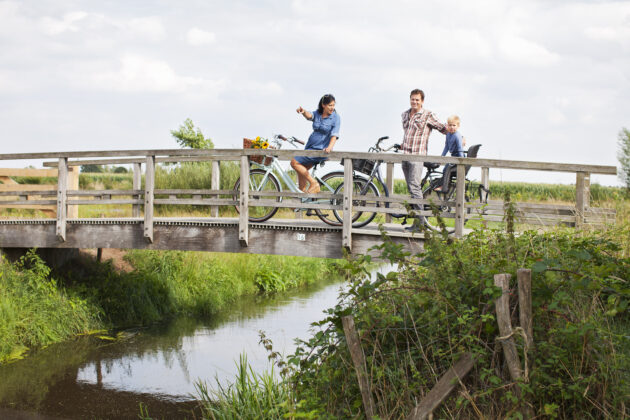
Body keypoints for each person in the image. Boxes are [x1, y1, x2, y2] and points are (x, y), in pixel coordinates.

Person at [401, 89, 447, 229]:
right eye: (412, 99)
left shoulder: (428, 115)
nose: (414, 102)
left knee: (415, 187)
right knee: (411, 188)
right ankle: (418, 220)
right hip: (405, 155)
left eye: (417, 100)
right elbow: (408, 133)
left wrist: (457, 135)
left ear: (422, 101)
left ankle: (420, 223)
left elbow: (443, 128)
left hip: (417, 156)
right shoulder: (405, 114)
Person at [292, 94, 340, 193]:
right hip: (310, 148)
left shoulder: (335, 117)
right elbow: (310, 116)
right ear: (323, 105)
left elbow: (334, 135)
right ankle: (301, 200)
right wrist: (303, 112)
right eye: (330, 105)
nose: (332, 108)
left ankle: (314, 183)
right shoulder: (318, 114)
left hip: (321, 150)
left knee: (294, 162)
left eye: (333, 105)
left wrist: (330, 147)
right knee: (301, 170)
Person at [436, 115, 465, 192]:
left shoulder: (457, 136)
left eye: (454, 125)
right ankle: (445, 185)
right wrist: (442, 157)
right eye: (450, 125)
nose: (452, 127)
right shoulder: (448, 135)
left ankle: (444, 188)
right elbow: (446, 147)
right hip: (453, 156)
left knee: (448, 168)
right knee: (445, 168)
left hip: (459, 156)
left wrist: (461, 161)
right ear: (447, 126)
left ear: (458, 126)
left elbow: (460, 149)